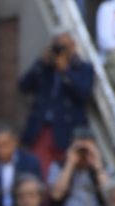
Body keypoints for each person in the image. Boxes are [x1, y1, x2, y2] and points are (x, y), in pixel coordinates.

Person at [19, 30, 94, 175]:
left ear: (73, 46)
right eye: (57, 46)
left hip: (68, 132)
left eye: (64, 47)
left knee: (66, 173)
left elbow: (84, 93)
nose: (60, 51)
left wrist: (67, 71)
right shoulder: (45, 67)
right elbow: (24, 86)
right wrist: (41, 62)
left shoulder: (84, 68)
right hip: (42, 130)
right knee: (38, 172)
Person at [47, 128, 111, 206]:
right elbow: (56, 195)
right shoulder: (59, 166)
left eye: (87, 150)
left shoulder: (103, 168)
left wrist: (97, 165)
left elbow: (110, 197)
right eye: (79, 149)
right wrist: (70, 163)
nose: (83, 154)